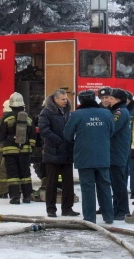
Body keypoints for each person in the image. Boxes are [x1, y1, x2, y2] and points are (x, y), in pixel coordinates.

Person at [64, 90, 115, 224]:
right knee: (104, 186)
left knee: (87, 188)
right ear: (95, 99)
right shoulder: (106, 113)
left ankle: (90, 218)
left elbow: (67, 134)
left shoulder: (76, 115)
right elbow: (112, 131)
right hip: (103, 156)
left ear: (80, 101)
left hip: (84, 156)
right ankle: (108, 216)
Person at [39, 89, 80, 218]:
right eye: (62, 99)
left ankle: (67, 208)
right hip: (53, 152)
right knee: (51, 182)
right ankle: (51, 209)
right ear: (55, 99)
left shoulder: (68, 111)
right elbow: (44, 130)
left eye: (66, 98)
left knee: (68, 182)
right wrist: (59, 141)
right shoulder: (46, 112)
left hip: (67, 152)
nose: (65, 101)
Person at [0, 92, 36, 204]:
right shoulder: (28, 119)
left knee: (12, 175)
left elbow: (1, 135)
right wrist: (30, 147)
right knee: (25, 174)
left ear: (11, 105)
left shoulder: (6, 119)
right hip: (24, 151)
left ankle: (15, 197)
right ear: (22, 105)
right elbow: (33, 135)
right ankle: (27, 197)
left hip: (10, 152)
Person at [108, 88, 131, 220]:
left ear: (117, 100)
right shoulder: (119, 111)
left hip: (117, 152)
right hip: (117, 151)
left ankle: (122, 210)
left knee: (119, 183)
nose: (109, 100)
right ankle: (117, 209)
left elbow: (112, 128)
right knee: (116, 183)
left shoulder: (119, 112)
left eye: (111, 98)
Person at [125, 90, 134, 199]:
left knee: (132, 169)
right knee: (123, 169)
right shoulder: (122, 109)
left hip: (132, 143)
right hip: (123, 144)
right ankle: (122, 189)